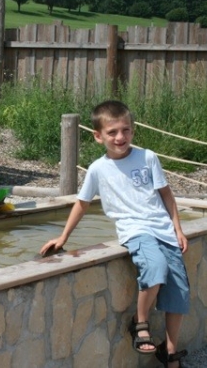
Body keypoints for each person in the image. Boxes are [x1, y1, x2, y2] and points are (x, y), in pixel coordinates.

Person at [39, 100, 189, 368]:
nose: (121, 137)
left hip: (164, 230)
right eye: (112, 132)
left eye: (126, 130)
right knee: (155, 267)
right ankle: (139, 322)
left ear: (132, 130)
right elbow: (82, 203)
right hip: (135, 229)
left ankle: (170, 352)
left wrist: (178, 229)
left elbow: (166, 194)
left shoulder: (148, 157)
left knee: (178, 293)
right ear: (98, 136)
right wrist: (63, 238)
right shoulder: (98, 169)